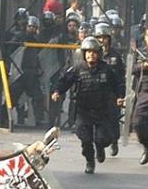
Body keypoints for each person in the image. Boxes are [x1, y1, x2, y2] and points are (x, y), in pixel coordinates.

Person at [52, 37, 124, 174]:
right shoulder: (77, 69)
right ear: (84, 54)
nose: (91, 55)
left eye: (94, 52)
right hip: (83, 110)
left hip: (102, 110)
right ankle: (90, 161)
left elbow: (118, 84)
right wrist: (57, 92)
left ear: (99, 54)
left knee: (102, 138)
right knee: (85, 139)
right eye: (88, 52)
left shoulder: (107, 69)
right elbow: (64, 81)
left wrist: (120, 97)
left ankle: (100, 148)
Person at [94, 23, 125, 157]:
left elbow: (120, 76)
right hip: (97, 93)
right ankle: (99, 146)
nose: (102, 40)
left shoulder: (115, 55)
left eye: (104, 37)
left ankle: (114, 141)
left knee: (113, 119)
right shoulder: (93, 54)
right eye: (99, 37)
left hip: (112, 92)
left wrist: (120, 95)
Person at [11, 16, 46, 126]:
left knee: (38, 96)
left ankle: (39, 119)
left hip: (32, 73)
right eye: (30, 26)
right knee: (13, 96)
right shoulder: (19, 37)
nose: (32, 29)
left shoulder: (36, 41)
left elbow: (38, 57)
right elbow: (12, 52)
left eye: (34, 27)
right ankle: (4, 118)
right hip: (19, 72)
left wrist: (39, 68)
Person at [132, 25, 148, 165]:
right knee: (138, 122)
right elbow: (132, 68)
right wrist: (143, 66)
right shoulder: (140, 53)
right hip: (145, 93)